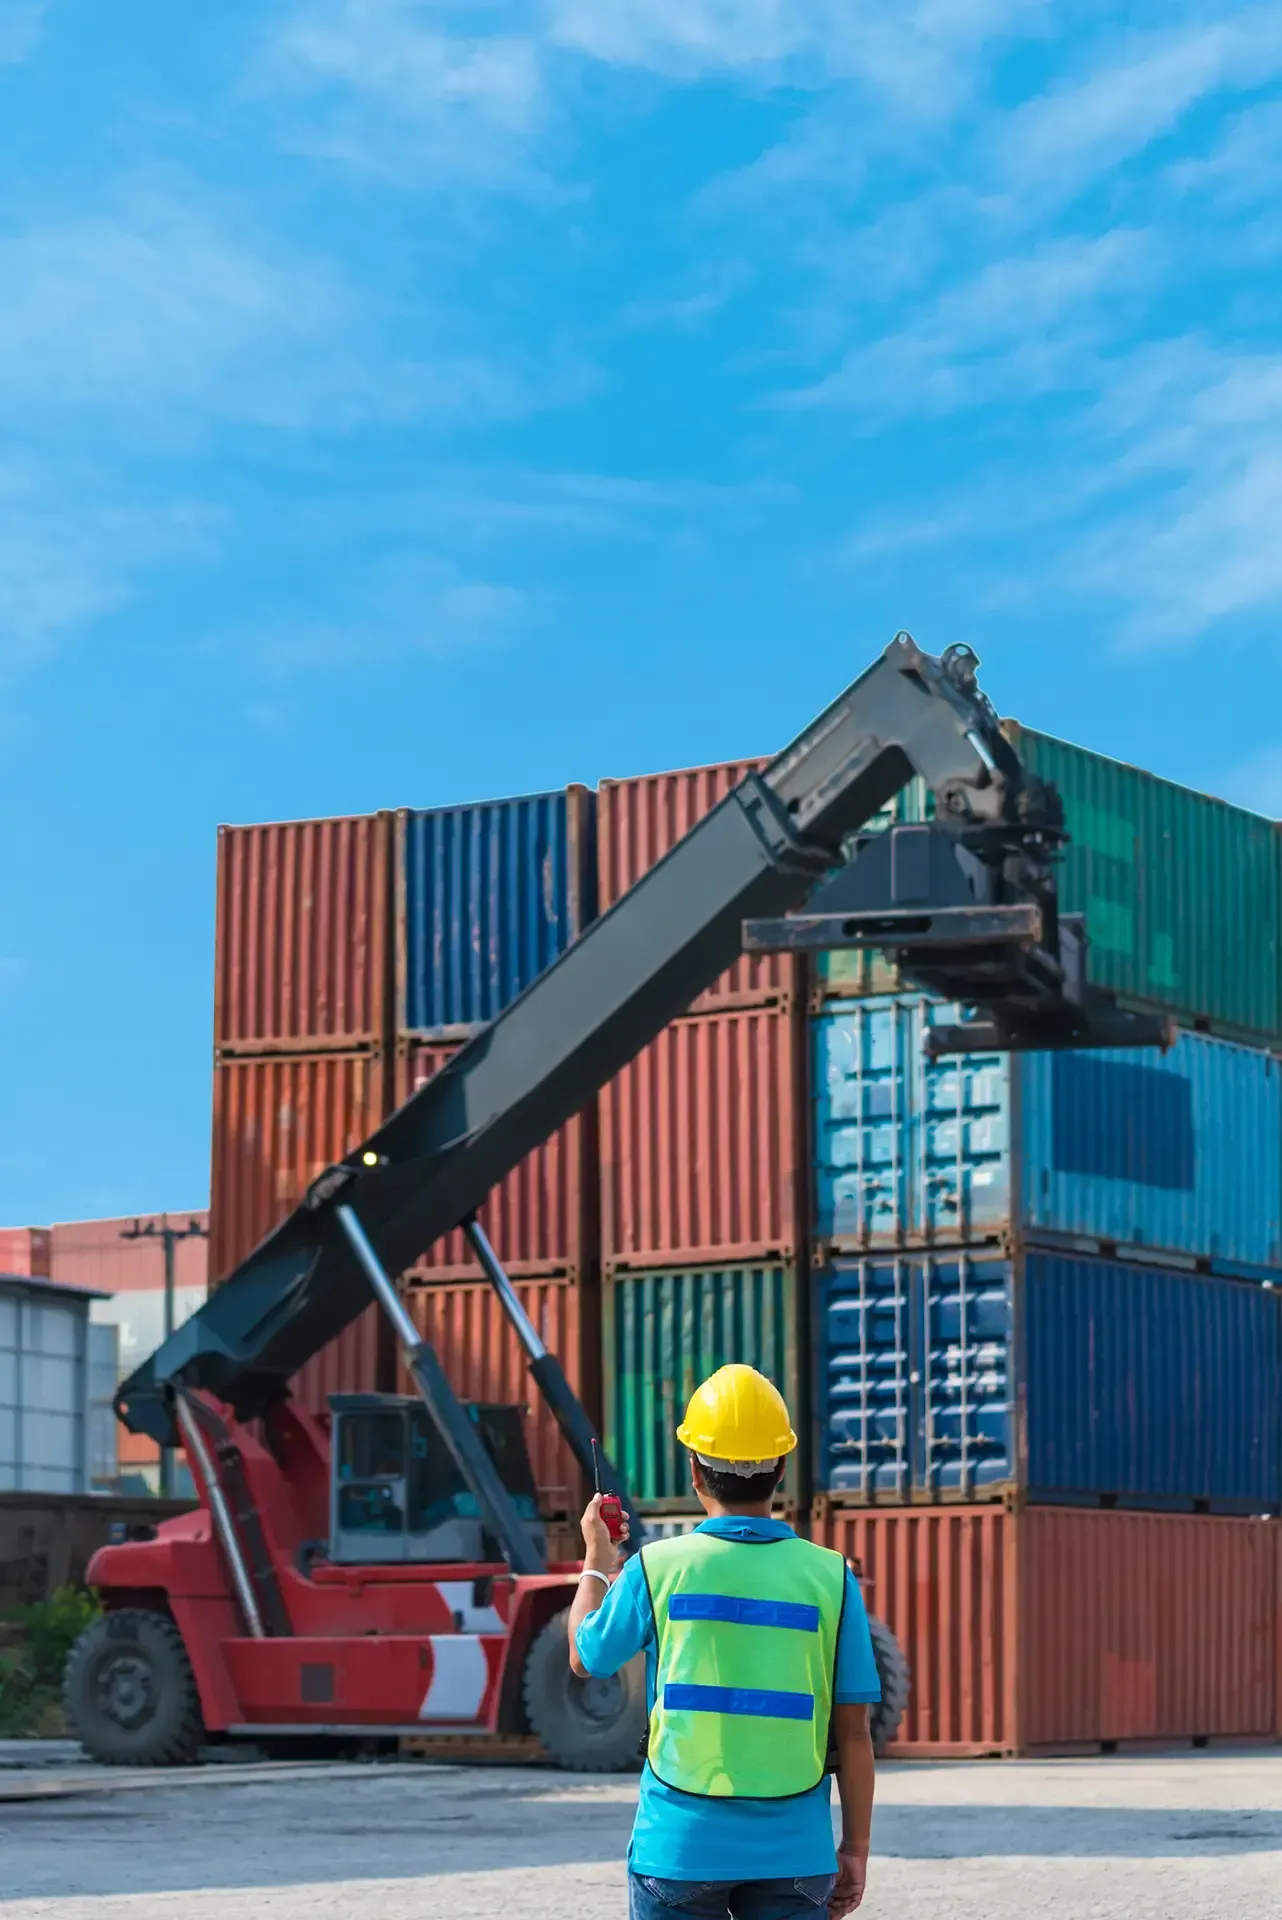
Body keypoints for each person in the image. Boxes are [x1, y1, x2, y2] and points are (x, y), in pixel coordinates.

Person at [568, 1364, 879, 1920]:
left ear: (695, 1469)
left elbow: (586, 1657)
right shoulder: (832, 1577)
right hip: (796, 1855)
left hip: (681, 1849)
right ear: (781, 1466)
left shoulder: (655, 1568)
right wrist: (854, 1849)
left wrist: (596, 1559)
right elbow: (854, 1734)